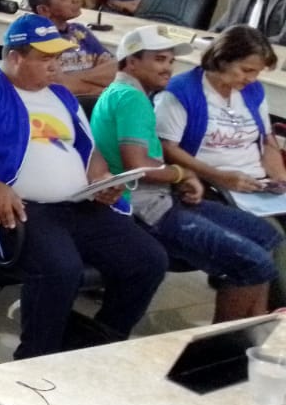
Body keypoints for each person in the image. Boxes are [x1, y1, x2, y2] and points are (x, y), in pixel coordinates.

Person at [0, 14, 168, 359]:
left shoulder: (61, 96)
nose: (55, 66)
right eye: (45, 59)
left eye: (57, 58)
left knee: (149, 260)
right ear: (14, 57)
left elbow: (89, 150)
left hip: (78, 205)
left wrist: (100, 180)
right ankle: (33, 359)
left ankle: (91, 345)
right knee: (61, 268)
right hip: (16, 209)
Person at [93, 26, 283, 322]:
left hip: (164, 196)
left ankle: (254, 326)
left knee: (267, 236)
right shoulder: (132, 99)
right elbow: (138, 166)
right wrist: (182, 174)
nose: (168, 68)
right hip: (147, 208)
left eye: (170, 60)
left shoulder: (134, 96)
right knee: (254, 264)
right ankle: (224, 342)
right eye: (159, 59)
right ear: (131, 62)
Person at [155, 27, 286, 235]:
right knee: (274, 236)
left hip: (258, 185)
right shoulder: (180, 91)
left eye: (257, 72)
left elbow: (267, 139)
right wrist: (220, 176)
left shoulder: (253, 90)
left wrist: (280, 179)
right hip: (210, 183)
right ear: (222, 60)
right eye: (246, 70)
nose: (252, 79)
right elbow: (167, 148)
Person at [26, 0, 114, 98]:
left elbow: (116, 70)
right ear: (44, 10)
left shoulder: (80, 31)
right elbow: (57, 87)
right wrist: (99, 82)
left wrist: (72, 78)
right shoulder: (38, 40)